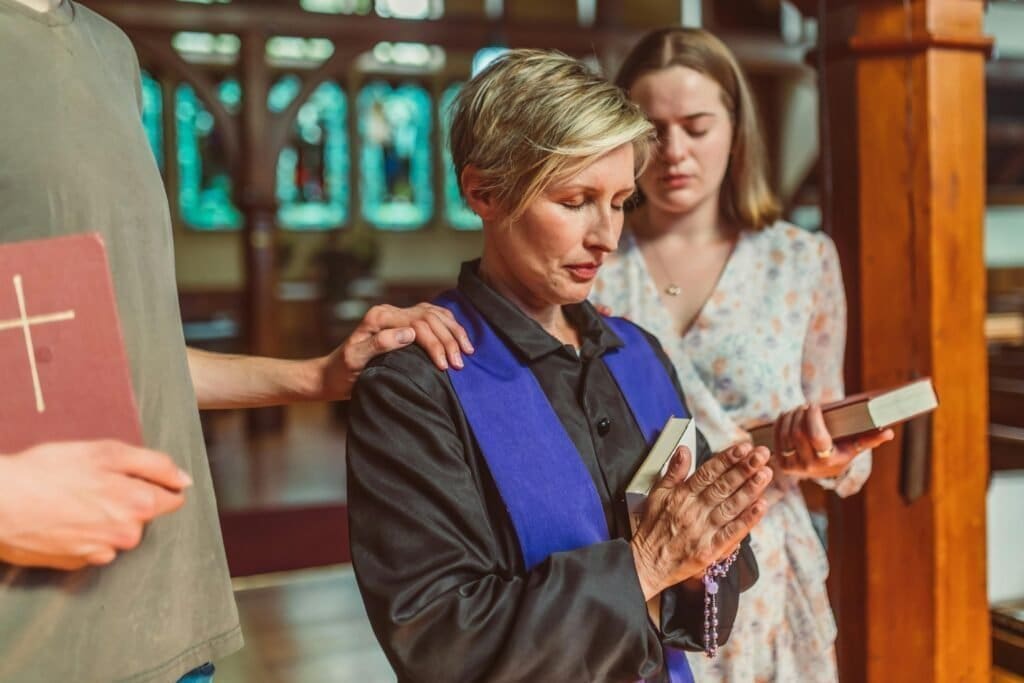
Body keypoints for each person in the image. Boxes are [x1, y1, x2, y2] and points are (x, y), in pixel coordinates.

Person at [0, 0, 471, 681]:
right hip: (36, 636)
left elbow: (135, 356)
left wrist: (314, 376)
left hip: (171, 612)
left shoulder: (111, 51)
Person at [347, 49, 775, 683]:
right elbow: (440, 643)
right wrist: (647, 566)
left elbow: (710, 580)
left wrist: (715, 537)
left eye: (621, 201)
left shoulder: (639, 355)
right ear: (483, 192)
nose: (606, 235)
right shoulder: (416, 384)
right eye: (576, 200)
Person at [590, 27, 894, 682]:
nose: (673, 151)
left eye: (696, 126)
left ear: (736, 126)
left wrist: (824, 453)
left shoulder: (798, 259)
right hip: (636, 568)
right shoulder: (590, 263)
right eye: (652, 128)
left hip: (765, 573)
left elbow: (842, 461)